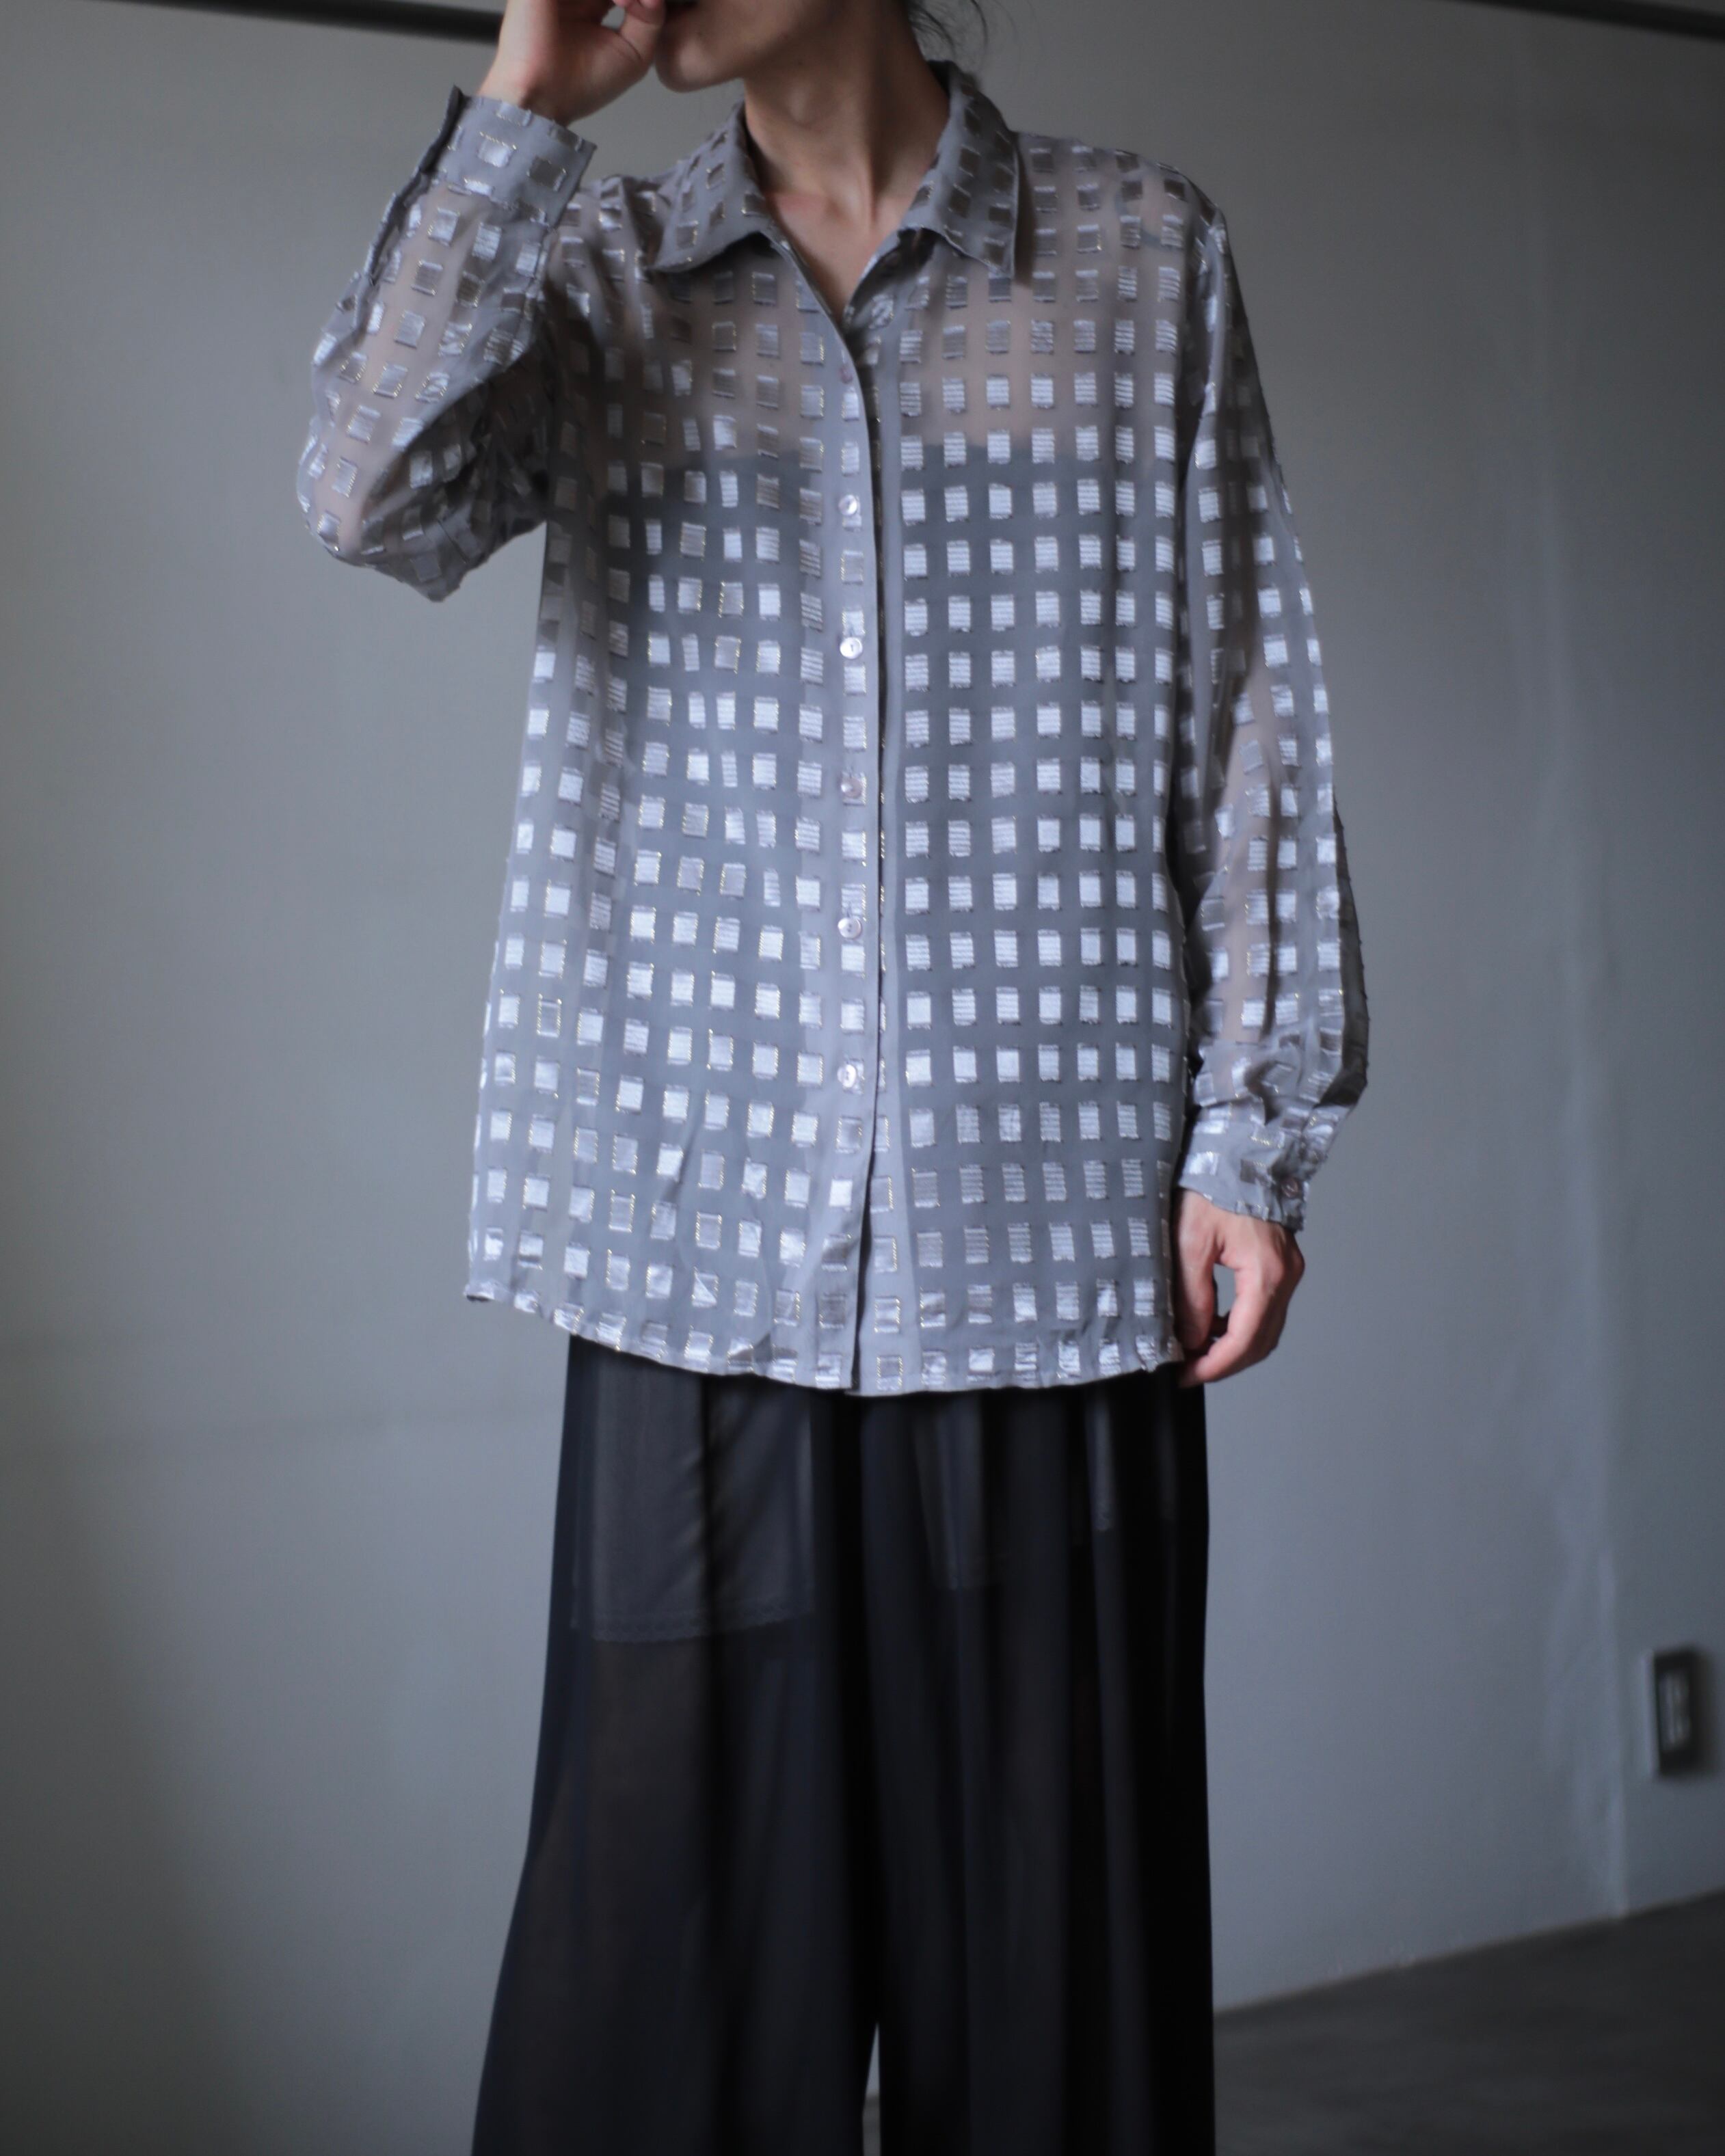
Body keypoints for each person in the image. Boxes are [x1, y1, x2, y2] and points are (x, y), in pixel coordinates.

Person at [294, 0, 1369, 2147]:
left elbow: (1245, 698)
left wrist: (1251, 1126)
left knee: (1052, 2014)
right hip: (696, 1263)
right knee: (658, 2029)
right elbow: (365, 491)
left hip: (1045, 1261)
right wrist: (518, 107)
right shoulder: (601, 274)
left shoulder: (1137, 255)